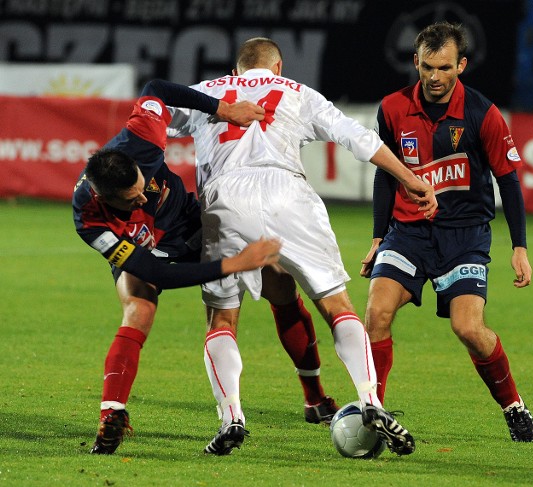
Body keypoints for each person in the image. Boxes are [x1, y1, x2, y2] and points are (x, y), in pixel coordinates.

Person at [168, 37, 437, 456]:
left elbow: (148, 122)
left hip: (225, 198)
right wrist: (409, 177)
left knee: (222, 319)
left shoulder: (207, 92)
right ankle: (370, 400)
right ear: (277, 69)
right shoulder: (297, 92)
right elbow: (357, 137)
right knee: (338, 306)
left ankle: (232, 417)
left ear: (236, 73)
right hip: (288, 195)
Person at [72, 78, 282, 455]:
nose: (142, 195)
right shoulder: (90, 220)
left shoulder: (143, 138)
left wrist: (222, 108)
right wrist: (232, 264)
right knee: (139, 308)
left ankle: (315, 397)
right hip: (142, 251)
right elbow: (155, 274)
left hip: (188, 223)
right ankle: (111, 414)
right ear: (105, 197)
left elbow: (156, 88)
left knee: (278, 281)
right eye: (132, 199)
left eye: (142, 185)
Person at [360, 21, 533, 442]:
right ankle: (376, 416)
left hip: (465, 236)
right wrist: (377, 235)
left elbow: (508, 181)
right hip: (408, 233)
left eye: (443, 67)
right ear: (415, 62)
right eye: (426, 67)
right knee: (375, 314)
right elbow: (386, 176)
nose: (434, 77)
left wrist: (520, 247)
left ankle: (513, 405)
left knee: (468, 328)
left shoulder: (482, 113)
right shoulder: (392, 108)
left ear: (461, 65)